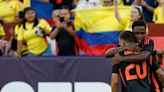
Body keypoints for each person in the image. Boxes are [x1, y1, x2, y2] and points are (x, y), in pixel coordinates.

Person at [106, 20, 164, 92]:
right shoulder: (122, 50)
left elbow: (143, 57)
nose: (140, 36)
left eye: (142, 33)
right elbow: (107, 54)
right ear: (132, 33)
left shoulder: (148, 44)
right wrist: (126, 47)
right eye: (137, 33)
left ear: (146, 33)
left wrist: (121, 58)